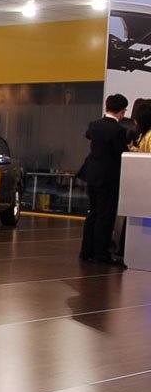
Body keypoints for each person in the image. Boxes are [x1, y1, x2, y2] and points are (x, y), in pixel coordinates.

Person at [78, 93, 129, 266]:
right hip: (108, 178)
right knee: (105, 216)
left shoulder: (94, 125)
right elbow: (121, 153)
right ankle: (101, 254)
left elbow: (88, 135)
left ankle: (86, 251)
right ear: (122, 112)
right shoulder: (118, 130)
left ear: (106, 107)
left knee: (92, 213)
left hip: (92, 174)